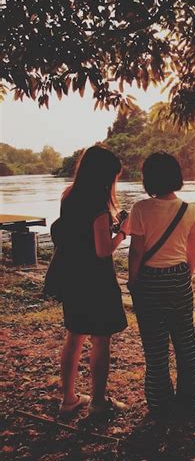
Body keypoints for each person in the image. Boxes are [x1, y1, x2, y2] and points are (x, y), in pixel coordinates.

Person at [128, 152, 195, 420]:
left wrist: (132, 280)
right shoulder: (189, 209)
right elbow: (191, 253)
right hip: (179, 279)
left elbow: (136, 252)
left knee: (155, 346)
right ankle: (191, 397)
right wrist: (185, 277)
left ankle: (160, 403)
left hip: (149, 281)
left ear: (149, 180)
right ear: (176, 177)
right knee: (185, 342)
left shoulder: (140, 209)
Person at [56, 146, 129, 415]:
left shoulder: (69, 196)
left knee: (74, 337)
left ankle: (68, 399)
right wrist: (122, 233)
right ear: (104, 176)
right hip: (96, 282)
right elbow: (102, 250)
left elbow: (80, 234)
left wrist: (109, 228)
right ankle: (98, 403)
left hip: (72, 276)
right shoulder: (98, 206)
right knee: (100, 339)